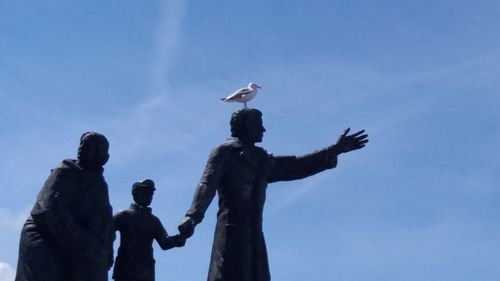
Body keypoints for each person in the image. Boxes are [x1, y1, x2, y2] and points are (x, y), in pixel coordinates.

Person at [178, 108, 369, 281]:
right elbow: (207, 184)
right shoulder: (224, 153)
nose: (263, 130)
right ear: (246, 126)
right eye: (258, 124)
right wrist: (193, 217)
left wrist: (334, 150)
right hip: (231, 231)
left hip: (254, 234)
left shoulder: (262, 159)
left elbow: (296, 165)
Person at [15, 132, 115, 281]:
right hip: (44, 231)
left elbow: (104, 220)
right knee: (48, 266)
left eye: (88, 146)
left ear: (100, 155)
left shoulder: (99, 185)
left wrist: (105, 249)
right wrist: (80, 239)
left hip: (74, 238)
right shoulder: (64, 171)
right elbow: (49, 209)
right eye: (82, 143)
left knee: (93, 262)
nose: (81, 147)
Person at [113, 179, 185, 281]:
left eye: (151, 193)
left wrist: (182, 236)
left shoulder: (153, 220)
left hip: (146, 272)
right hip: (125, 269)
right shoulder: (122, 215)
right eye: (145, 192)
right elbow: (105, 233)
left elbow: (165, 242)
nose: (148, 196)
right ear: (135, 194)